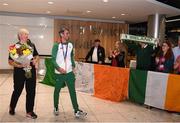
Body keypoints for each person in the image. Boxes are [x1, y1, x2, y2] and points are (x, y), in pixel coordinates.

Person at [51, 27, 87, 118]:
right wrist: (59, 68)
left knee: (72, 91)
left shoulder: (70, 45)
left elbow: (71, 56)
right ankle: (55, 107)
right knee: (57, 90)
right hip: (59, 72)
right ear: (61, 34)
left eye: (68, 33)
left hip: (69, 72)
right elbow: (53, 60)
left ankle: (76, 110)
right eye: (66, 33)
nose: (68, 35)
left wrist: (73, 65)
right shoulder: (56, 45)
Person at [8, 28, 39, 119]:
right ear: (20, 35)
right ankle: (12, 107)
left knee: (31, 91)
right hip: (19, 72)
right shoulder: (15, 47)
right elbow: (10, 61)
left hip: (30, 70)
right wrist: (19, 65)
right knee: (17, 90)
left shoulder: (31, 45)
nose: (27, 36)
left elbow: (37, 56)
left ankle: (29, 111)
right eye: (25, 34)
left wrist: (35, 61)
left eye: (27, 34)